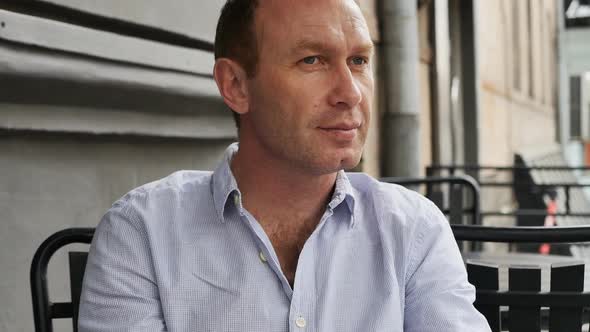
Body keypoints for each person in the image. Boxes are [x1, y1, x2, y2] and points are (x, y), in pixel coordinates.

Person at [78, 0, 491, 331]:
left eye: (359, 61)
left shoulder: (413, 230)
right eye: (312, 60)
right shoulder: (142, 234)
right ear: (236, 86)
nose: (351, 92)